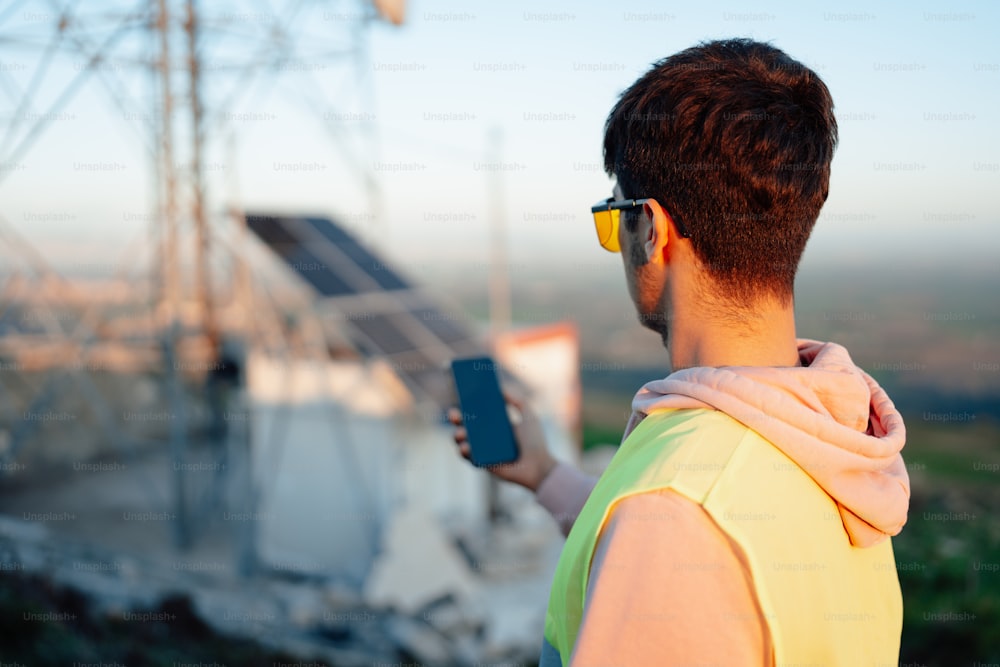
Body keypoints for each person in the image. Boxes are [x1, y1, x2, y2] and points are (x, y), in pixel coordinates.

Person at [449, 38, 909, 666]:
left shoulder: (672, 510)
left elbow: (677, 530)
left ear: (654, 231)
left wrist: (645, 515)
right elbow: (721, 535)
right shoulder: (834, 431)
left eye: (614, 218)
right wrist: (545, 476)